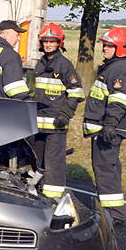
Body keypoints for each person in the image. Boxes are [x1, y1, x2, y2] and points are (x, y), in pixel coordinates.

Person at [83, 27, 126, 226]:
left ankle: (112, 215)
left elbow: (120, 99)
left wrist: (110, 124)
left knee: (106, 170)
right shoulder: (111, 67)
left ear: (120, 48)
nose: (104, 48)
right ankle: (111, 211)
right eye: (104, 45)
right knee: (108, 169)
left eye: (109, 45)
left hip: (108, 130)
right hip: (104, 128)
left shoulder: (120, 68)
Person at [32, 23, 84, 198]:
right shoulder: (40, 63)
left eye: (52, 41)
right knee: (37, 159)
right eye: (45, 41)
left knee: (54, 163)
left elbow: (76, 92)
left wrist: (65, 114)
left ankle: (53, 198)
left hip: (56, 124)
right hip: (38, 123)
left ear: (59, 43)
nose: (48, 45)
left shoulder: (64, 65)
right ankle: (36, 191)